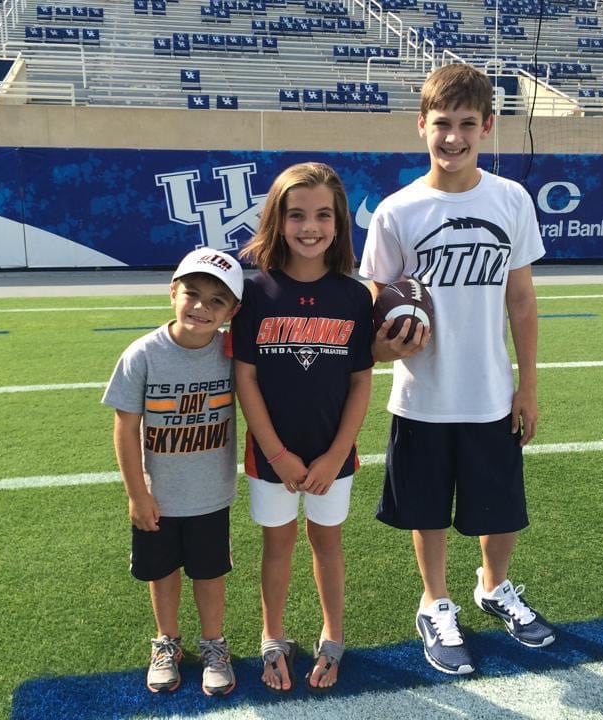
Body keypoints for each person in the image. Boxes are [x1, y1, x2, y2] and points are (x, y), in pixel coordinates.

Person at [359, 62, 556, 676]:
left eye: (467, 124)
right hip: (423, 394)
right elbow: (377, 302)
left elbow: (521, 299)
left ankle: (494, 588)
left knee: (502, 507)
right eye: (442, 123)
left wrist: (528, 384)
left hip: (492, 390)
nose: (453, 136)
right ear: (421, 125)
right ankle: (435, 602)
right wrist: (390, 343)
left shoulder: (511, 199)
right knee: (425, 510)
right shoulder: (396, 211)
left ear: (488, 127)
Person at [232, 162, 373, 694]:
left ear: (339, 223)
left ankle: (333, 635)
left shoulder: (355, 297)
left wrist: (336, 454)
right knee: (277, 543)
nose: (309, 227)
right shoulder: (254, 293)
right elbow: (245, 377)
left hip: (333, 454)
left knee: (327, 542)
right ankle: (273, 636)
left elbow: (360, 382)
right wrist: (277, 453)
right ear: (277, 219)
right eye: (296, 215)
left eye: (322, 215)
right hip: (272, 455)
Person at [102, 247, 244, 696]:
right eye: (192, 293)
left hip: (211, 492)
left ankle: (213, 644)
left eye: (217, 300)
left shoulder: (232, 354)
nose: (201, 307)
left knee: (209, 572)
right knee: (162, 572)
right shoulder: (143, 354)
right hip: (158, 495)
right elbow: (125, 427)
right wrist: (137, 493)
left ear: (232, 311)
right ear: (172, 293)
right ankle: (167, 642)